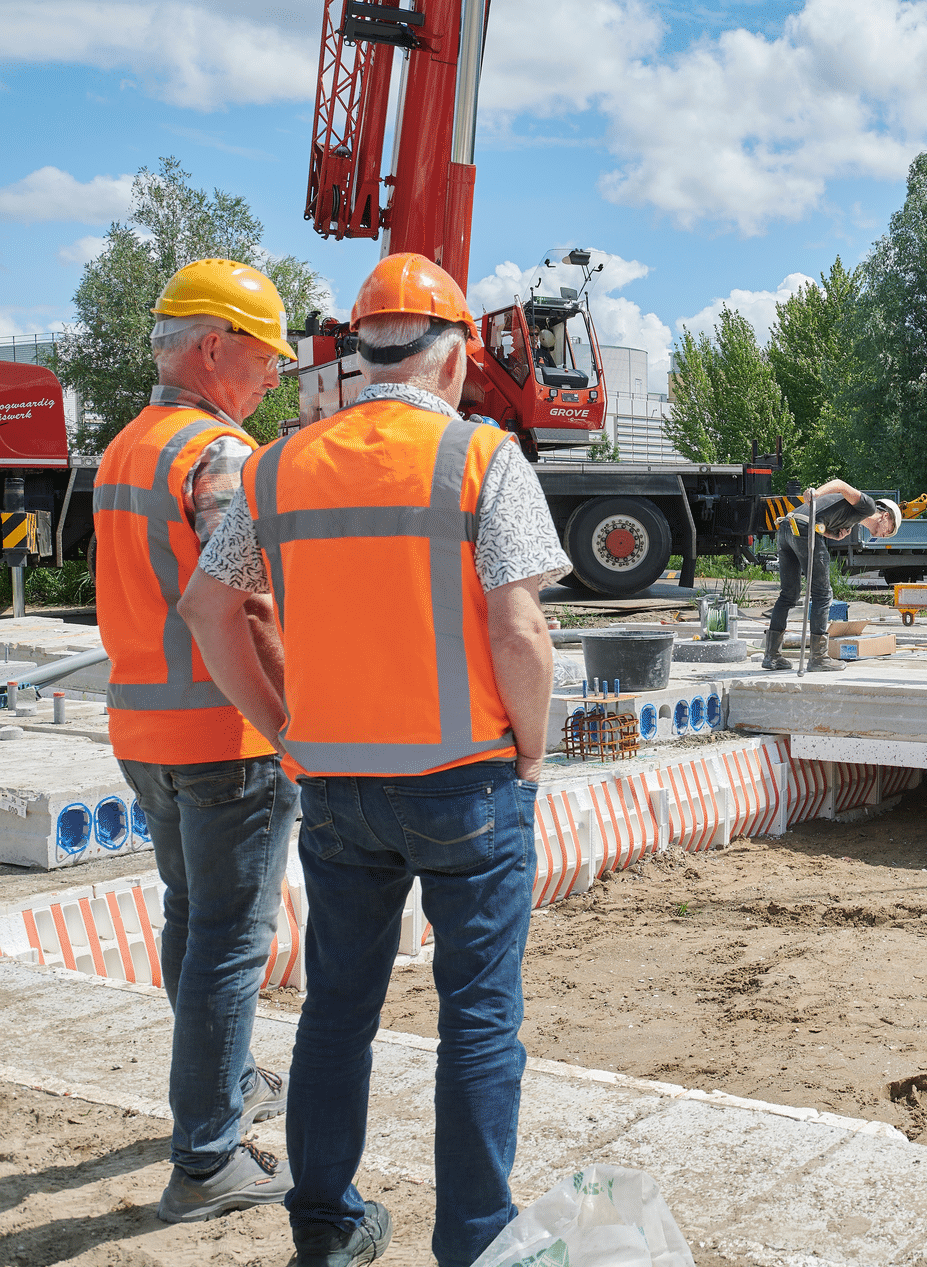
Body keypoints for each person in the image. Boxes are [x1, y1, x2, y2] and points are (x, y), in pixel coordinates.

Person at [180, 253, 570, 1267]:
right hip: (469, 781)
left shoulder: (276, 463)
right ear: (453, 361)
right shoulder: (484, 459)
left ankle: (325, 1225)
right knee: (479, 1018)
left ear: (359, 357)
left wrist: (286, 731)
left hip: (339, 788)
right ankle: (476, 1240)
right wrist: (531, 753)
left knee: (337, 1011)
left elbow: (208, 610)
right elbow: (520, 630)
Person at [94, 258, 300, 1223]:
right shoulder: (218, 456)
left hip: (146, 729)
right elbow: (246, 607)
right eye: (265, 358)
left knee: (192, 920)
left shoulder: (128, 447)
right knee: (230, 939)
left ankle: (226, 1086)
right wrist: (296, 725)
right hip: (228, 737)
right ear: (214, 347)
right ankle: (211, 1155)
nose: (272, 378)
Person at [763, 480, 902, 672]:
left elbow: (819, 523)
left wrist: (833, 535)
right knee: (822, 594)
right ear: (885, 515)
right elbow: (840, 485)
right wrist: (816, 494)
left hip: (787, 526)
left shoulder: (852, 518)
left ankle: (772, 656)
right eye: (890, 528)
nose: (887, 534)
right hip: (802, 530)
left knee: (788, 594)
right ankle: (818, 658)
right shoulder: (868, 505)